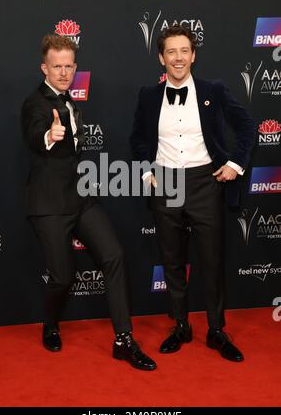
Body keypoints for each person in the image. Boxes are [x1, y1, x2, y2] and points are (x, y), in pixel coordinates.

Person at [21, 34, 156, 371]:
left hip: (81, 199)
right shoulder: (35, 103)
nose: (64, 72)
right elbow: (35, 134)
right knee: (63, 277)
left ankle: (123, 340)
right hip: (49, 204)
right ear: (44, 68)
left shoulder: (70, 102)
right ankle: (51, 325)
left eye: (69, 66)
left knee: (114, 255)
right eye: (57, 67)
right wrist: (48, 136)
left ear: (75, 68)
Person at [130, 25, 255, 362]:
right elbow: (138, 139)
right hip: (166, 182)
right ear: (161, 57)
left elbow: (247, 126)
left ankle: (216, 330)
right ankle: (181, 325)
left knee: (212, 261)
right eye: (171, 51)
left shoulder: (214, 89)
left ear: (194, 55)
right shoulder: (148, 95)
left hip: (205, 182)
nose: (178, 57)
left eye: (184, 50)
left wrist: (235, 165)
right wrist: (145, 168)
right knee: (172, 260)